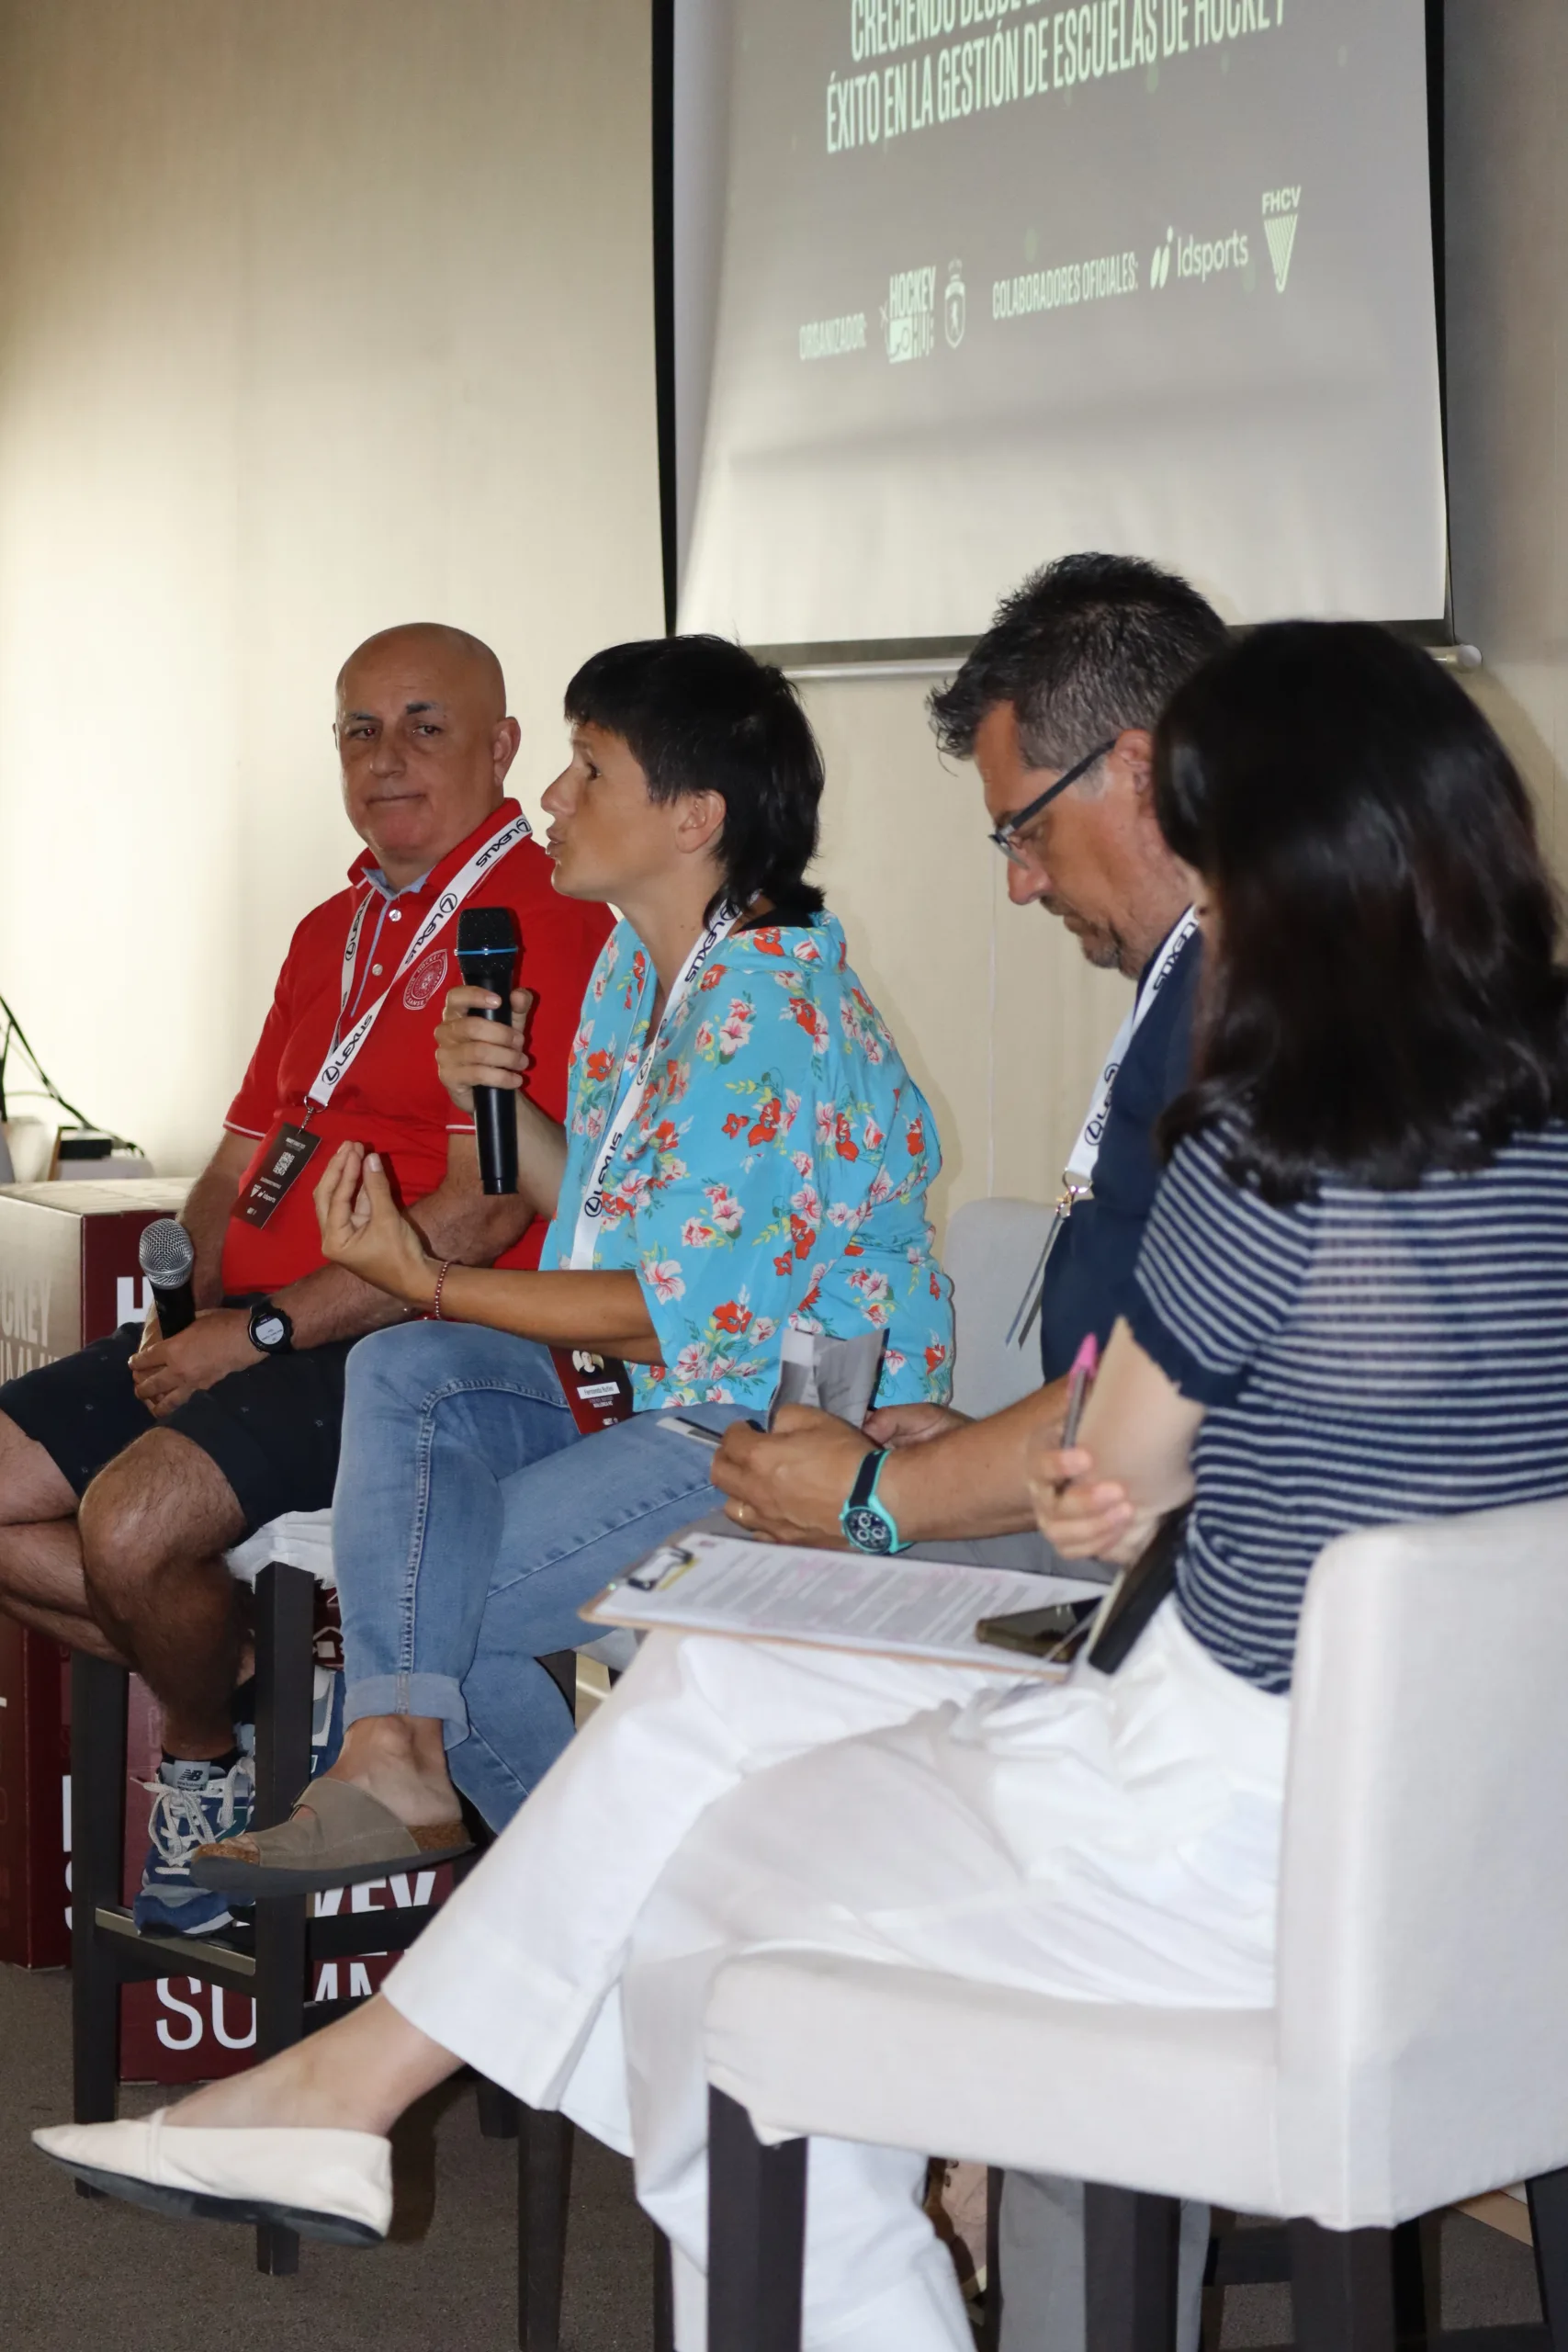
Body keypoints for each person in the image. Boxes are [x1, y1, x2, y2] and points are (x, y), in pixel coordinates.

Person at [42, 623, 1568, 2352]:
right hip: (1462, 1823)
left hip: (1207, 1818)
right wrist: (1068, 1473)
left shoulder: (1268, 1137)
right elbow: (1172, 1458)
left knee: (713, 1918)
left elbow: (1100, 1459)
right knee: (724, 1693)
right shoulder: (1528, 1123)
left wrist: (882, 1489)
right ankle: (358, 2083)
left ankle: (376, 2084)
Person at [185, 633, 953, 1889]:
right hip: (658, 1396)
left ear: (694, 817)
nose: (550, 794)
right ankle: (490, 1830)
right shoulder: (637, 973)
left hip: (775, 1425)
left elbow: (666, 1318)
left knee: (436, 1614)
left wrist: (418, 1274)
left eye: (589, 769)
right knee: (410, 1369)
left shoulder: (767, 1011)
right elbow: (597, 1204)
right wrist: (499, 1108)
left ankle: (590, 1899)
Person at [714, 549, 1226, 2348]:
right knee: (733, 1671)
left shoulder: (1245, 1032)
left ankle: (913, 2171)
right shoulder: (1220, 999)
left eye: (1019, 827)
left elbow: (1134, 1422)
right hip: (1168, 1573)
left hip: (1186, 1633)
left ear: (1137, 768)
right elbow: (1114, 1381)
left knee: (740, 1694)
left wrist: (877, 1492)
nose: (1015, 878)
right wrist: (951, 1452)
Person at [0, 623, 612, 1932]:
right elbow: (237, 1160)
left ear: (504, 747)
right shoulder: (331, 927)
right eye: (358, 731)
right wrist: (184, 1314)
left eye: (424, 726)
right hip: (249, 1327)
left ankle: (205, 1755)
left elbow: (486, 1207)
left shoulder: (543, 923)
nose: (386, 758)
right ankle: (259, 1679)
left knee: (131, 1532)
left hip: (399, 1349)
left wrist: (262, 1331)